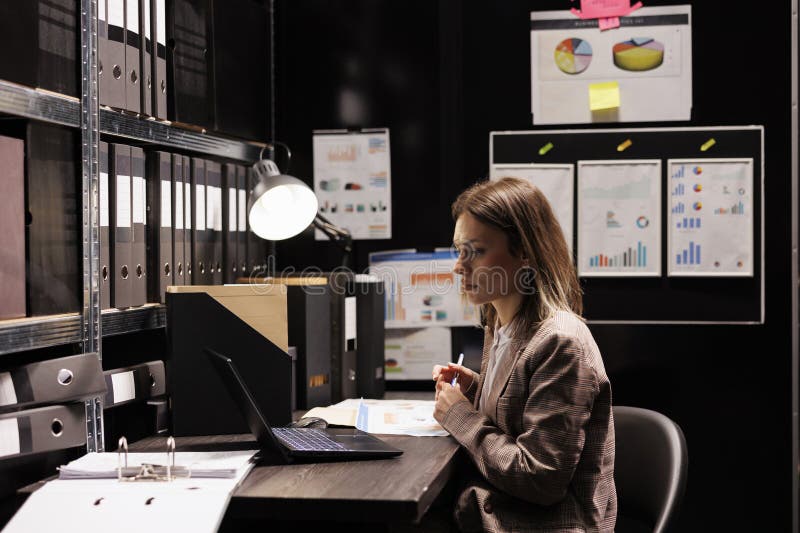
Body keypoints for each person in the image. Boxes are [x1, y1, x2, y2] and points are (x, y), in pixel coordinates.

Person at [432, 177, 616, 532]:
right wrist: (477, 391)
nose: (459, 267)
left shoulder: (562, 343)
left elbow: (540, 480)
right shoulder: (500, 322)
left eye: (476, 251)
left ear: (525, 252)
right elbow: (518, 415)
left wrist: (460, 416)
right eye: (459, 250)